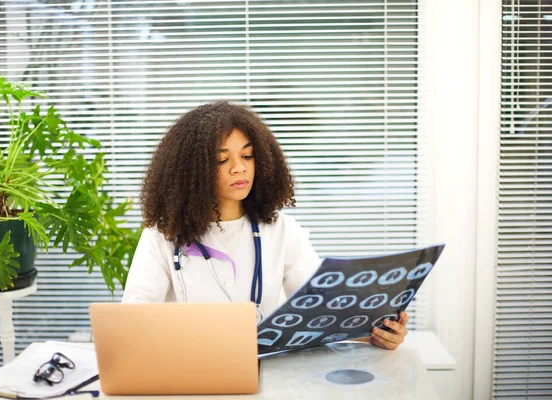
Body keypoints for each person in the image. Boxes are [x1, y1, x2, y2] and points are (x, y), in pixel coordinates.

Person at [122, 101, 409, 350]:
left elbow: (326, 313)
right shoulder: (162, 236)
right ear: (191, 172)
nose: (239, 167)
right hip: (191, 371)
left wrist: (376, 335)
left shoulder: (281, 231)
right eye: (222, 159)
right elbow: (131, 327)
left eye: (247, 156)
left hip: (267, 373)